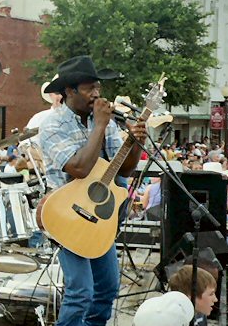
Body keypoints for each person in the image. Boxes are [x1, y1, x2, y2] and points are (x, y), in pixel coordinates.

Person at [38, 55, 148, 326]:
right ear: (69, 91)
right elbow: (79, 168)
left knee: (108, 288)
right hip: (66, 215)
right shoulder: (52, 125)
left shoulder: (107, 123)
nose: (97, 94)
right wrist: (98, 125)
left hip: (99, 217)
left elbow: (122, 170)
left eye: (98, 87)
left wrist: (134, 143)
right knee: (81, 292)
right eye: (89, 88)